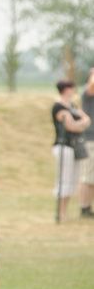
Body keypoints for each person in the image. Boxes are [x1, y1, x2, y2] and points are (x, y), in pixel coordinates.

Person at [52, 79, 91, 221]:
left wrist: (78, 123)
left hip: (74, 146)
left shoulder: (72, 106)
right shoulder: (58, 106)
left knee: (72, 180)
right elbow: (70, 126)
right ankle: (61, 213)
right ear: (65, 89)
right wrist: (80, 124)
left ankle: (65, 212)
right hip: (64, 146)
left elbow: (86, 119)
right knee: (64, 180)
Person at [80, 70, 94, 217]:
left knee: (92, 177)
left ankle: (88, 207)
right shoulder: (87, 94)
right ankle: (84, 207)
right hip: (90, 139)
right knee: (87, 176)